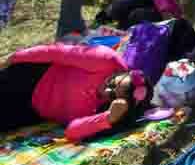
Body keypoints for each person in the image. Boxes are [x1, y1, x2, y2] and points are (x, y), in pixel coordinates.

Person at [0, 42, 149, 142]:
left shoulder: (108, 112)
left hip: (33, 111)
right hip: (32, 77)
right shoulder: (106, 60)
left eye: (112, 95)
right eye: (113, 83)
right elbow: (56, 52)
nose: (107, 90)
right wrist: (16, 57)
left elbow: (72, 131)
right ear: (122, 73)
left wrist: (108, 118)